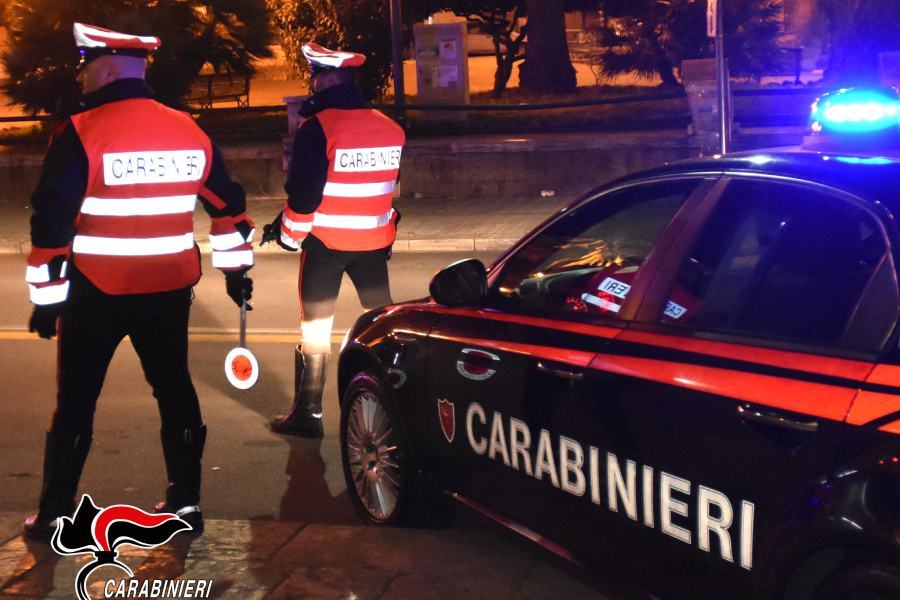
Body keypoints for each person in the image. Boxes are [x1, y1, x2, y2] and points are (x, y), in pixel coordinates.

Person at [23, 22, 255, 539]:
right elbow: (228, 208)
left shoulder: (82, 131)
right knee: (175, 391)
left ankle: (56, 511)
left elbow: (52, 223)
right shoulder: (187, 129)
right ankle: (187, 504)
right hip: (168, 289)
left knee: (78, 401)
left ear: (105, 69)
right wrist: (237, 273)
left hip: (94, 292)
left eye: (84, 67)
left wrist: (45, 299)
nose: (80, 77)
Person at [261, 42, 405, 437]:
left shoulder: (318, 128)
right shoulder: (391, 128)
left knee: (316, 328)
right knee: (381, 323)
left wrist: (288, 238)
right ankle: (398, 399)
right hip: (374, 244)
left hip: (326, 245)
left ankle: (308, 415)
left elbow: (305, 197)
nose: (311, 84)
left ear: (324, 79)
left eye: (313, 77)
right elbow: (385, 187)